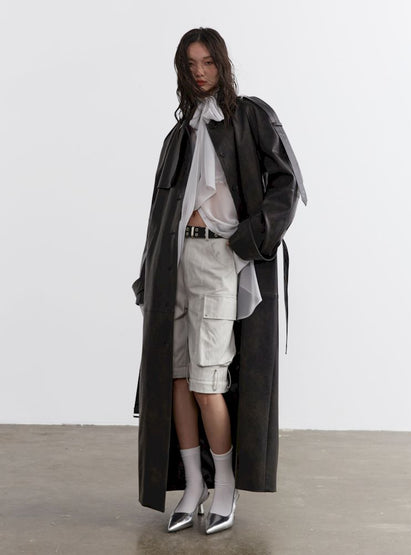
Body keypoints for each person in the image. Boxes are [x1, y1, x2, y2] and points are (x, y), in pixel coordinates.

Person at [131, 27, 307, 535]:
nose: (200, 72)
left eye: (208, 62)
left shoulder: (250, 116)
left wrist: (251, 238)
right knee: (177, 379)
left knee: (208, 382)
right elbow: (158, 214)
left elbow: (287, 182)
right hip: (175, 262)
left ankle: (225, 485)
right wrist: (147, 275)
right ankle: (193, 486)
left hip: (219, 258)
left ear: (222, 64)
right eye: (191, 65)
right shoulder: (179, 135)